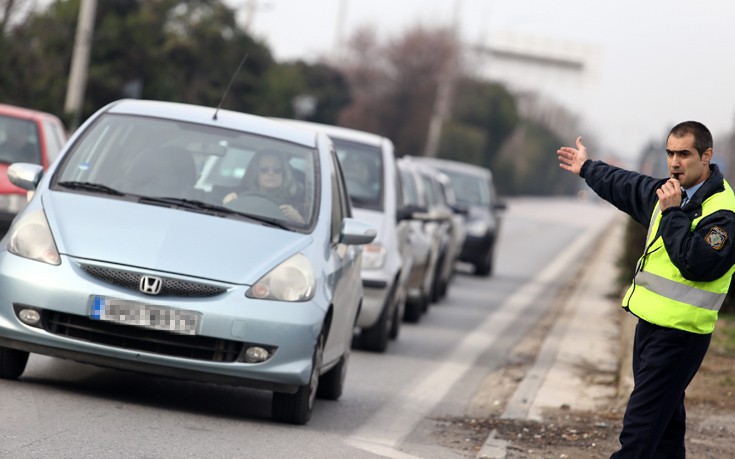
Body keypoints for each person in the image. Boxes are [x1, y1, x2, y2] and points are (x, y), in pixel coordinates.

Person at [557, 121, 735, 458]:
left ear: (707, 156)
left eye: (684, 154)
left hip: (680, 336)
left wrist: (671, 214)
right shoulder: (670, 192)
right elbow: (625, 184)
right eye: (670, 153)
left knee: (638, 435)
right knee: (665, 433)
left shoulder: (723, 213)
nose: (674, 162)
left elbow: (697, 263)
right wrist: (587, 168)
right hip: (649, 327)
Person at [224, 148, 305, 223]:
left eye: (277, 169)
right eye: (264, 169)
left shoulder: (297, 201)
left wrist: (298, 219)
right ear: (255, 174)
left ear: (284, 173)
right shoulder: (238, 194)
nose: (271, 173)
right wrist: (227, 204)